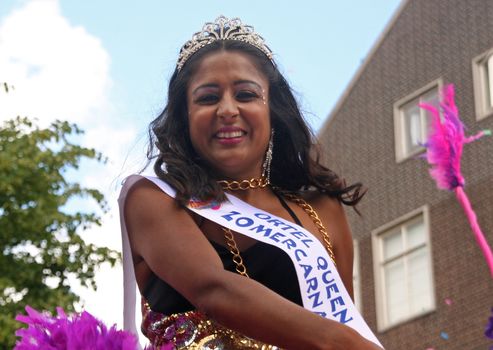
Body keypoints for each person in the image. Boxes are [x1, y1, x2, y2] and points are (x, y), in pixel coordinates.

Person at [119, 16, 383, 350]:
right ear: (184, 118)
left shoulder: (322, 211)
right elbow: (213, 289)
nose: (227, 109)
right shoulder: (155, 198)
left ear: (273, 111)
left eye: (245, 94)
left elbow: (345, 322)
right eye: (207, 98)